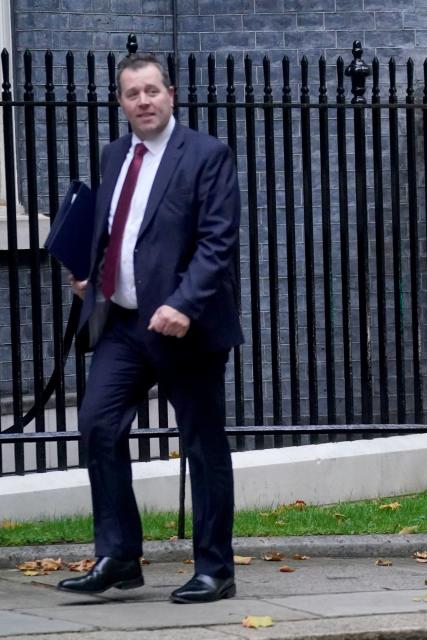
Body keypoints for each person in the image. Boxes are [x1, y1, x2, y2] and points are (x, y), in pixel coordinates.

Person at [56, 53, 243, 603]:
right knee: (97, 424)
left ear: (172, 94)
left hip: (187, 327)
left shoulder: (207, 154)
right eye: (132, 94)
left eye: (152, 91)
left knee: (203, 445)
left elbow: (217, 241)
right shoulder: (116, 154)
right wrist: (92, 272)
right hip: (123, 323)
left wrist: (184, 303)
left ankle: (215, 568)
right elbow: (117, 229)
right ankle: (119, 556)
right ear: (121, 102)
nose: (143, 101)